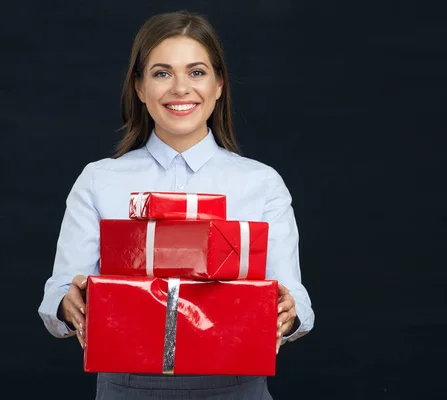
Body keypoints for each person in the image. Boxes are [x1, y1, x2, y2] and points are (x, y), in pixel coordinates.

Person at [38, 10, 315, 399]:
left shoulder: (261, 183)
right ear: (138, 86)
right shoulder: (99, 180)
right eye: (162, 73)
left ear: (219, 85)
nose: (180, 88)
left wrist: (287, 311)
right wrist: (70, 304)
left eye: (197, 72)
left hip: (236, 388)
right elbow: (58, 292)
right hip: (126, 388)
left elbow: (295, 298)